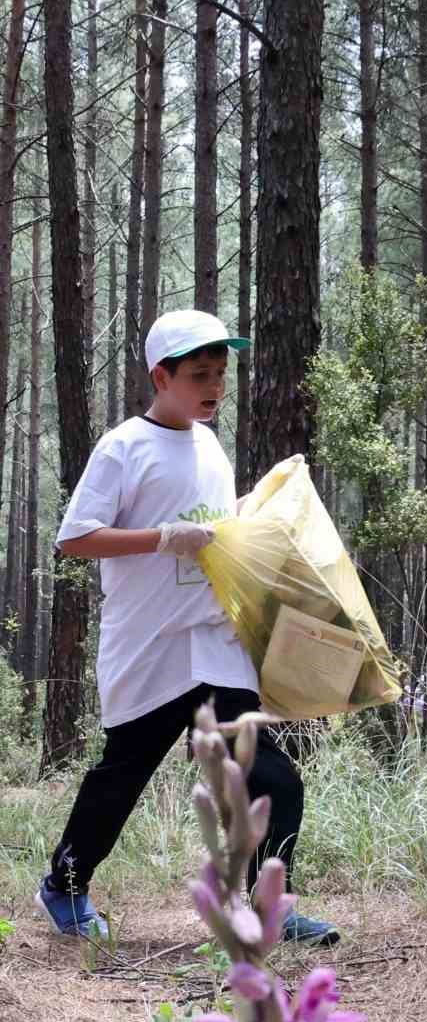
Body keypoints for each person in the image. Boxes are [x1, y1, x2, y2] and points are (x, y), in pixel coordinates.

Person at [35, 308, 338, 945]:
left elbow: (218, 536)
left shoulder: (210, 445)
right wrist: (162, 538)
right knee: (123, 776)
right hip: (150, 647)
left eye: (221, 374)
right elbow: (75, 538)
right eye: (200, 373)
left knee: (271, 779)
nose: (214, 387)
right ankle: (63, 888)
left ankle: (265, 907)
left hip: (213, 642)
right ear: (161, 375)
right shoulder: (124, 447)